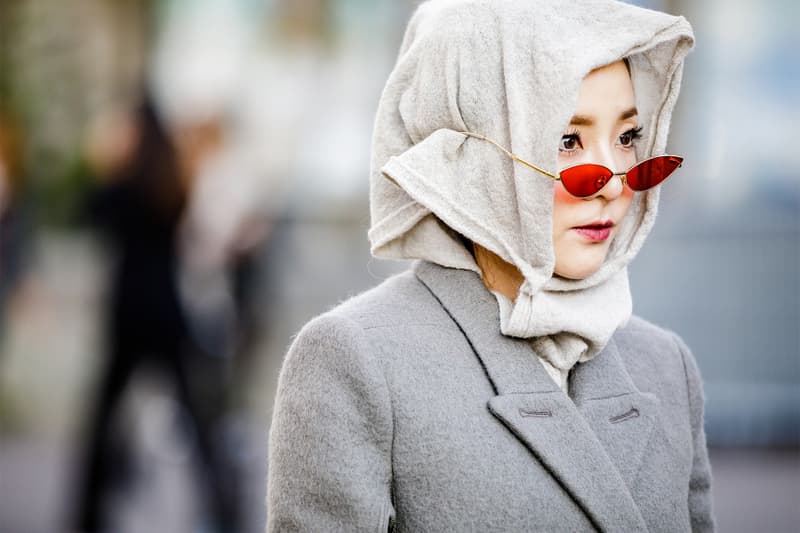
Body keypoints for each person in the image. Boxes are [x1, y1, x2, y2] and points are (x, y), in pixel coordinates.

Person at [267, 0, 714, 531]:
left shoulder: (666, 366)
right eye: (568, 140)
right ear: (472, 160)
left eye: (628, 137)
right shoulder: (354, 361)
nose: (616, 183)